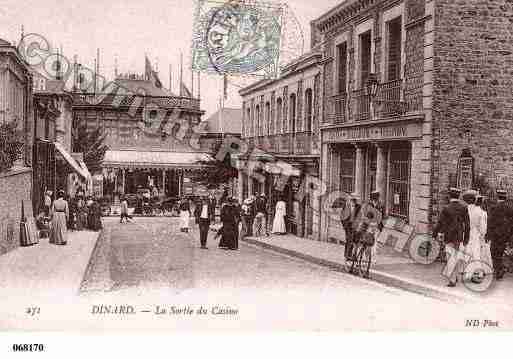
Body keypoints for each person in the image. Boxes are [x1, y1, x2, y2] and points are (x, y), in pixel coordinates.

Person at [433, 187, 470, 287]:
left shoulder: (446, 208)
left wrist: (434, 234)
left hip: (449, 236)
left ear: (450, 196)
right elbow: (467, 224)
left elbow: (440, 223)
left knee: (450, 257)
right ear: (458, 196)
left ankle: (452, 280)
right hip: (459, 236)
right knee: (456, 256)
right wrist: (466, 238)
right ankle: (456, 276)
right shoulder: (463, 208)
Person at [486, 189, 513, 280]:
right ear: (505, 197)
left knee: (494, 252)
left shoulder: (494, 207)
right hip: (506, 234)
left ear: (498, 197)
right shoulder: (510, 208)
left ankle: (499, 269)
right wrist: (510, 234)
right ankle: (500, 269)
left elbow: (490, 222)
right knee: (501, 252)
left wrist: (488, 234)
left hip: (496, 234)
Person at [462, 190, 487, 283]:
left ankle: (467, 273)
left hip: (466, 234)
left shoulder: (464, 209)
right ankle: (477, 274)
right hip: (475, 234)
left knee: (467, 253)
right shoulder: (479, 211)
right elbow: (483, 228)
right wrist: (482, 235)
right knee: (476, 254)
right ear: (474, 199)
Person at [341, 194, 361, 259]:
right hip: (348, 225)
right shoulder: (346, 206)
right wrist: (344, 226)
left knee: (355, 240)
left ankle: (352, 255)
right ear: (351, 200)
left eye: (355, 200)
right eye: (353, 200)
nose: (354, 202)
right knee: (349, 240)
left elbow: (361, 216)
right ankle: (347, 255)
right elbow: (342, 217)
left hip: (355, 225)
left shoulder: (359, 207)